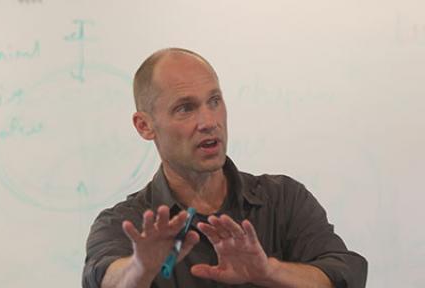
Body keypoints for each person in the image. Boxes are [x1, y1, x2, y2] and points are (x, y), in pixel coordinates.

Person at [82, 48, 367, 288]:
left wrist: (268, 271)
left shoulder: (283, 200)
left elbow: (344, 273)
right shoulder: (124, 224)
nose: (208, 121)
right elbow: (104, 277)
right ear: (145, 126)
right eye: (185, 108)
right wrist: (141, 268)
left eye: (214, 101)